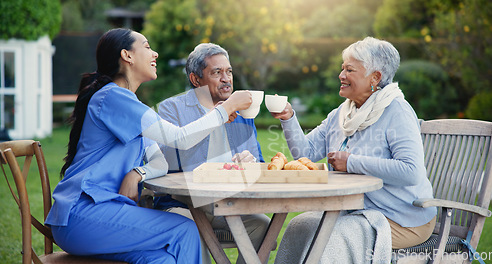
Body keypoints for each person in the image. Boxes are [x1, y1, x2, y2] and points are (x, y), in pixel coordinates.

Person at [45, 28, 253, 264]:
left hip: (103, 216)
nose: (154, 54)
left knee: (163, 259)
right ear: (127, 55)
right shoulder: (113, 97)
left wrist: (138, 173)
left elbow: (159, 161)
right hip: (82, 215)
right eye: (146, 46)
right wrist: (225, 109)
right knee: (185, 230)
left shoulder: (131, 105)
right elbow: (180, 138)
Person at [272, 37, 437, 259]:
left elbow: (411, 172)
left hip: (401, 219)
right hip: (353, 210)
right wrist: (288, 118)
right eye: (343, 69)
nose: (341, 76)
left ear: (375, 77)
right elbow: (306, 155)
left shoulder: (397, 111)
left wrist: (351, 162)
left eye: (350, 70)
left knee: (332, 238)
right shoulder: (342, 114)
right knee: (299, 226)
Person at [155, 43, 271, 264]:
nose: (226, 78)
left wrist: (250, 162)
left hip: (227, 203)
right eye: (217, 72)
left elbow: (259, 163)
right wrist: (218, 114)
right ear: (196, 79)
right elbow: (172, 164)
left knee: (262, 225)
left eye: (229, 71)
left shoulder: (242, 112)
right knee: (189, 229)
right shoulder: (172, 109)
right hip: (182, 204)